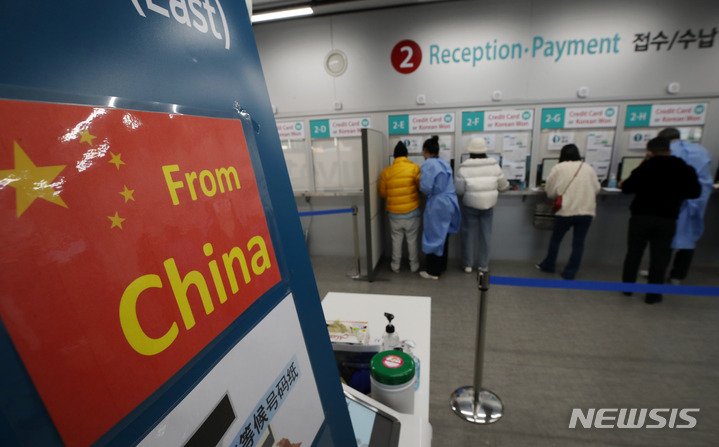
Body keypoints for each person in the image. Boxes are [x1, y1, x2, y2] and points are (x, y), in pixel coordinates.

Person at [620, 136, 701, 304]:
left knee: (634, 253)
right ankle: (653, 295)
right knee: (660, 257)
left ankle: (628, 289)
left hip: (641, 217)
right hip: (667, 218)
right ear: (670, 150)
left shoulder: (645, 167)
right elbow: (695, 192)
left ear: (649, 152)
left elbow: (627, 188)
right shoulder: (684, 168)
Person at [536, 144, 601, 280]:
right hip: (586, 211)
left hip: (566, 210)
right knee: (578, 243)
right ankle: (570, 272)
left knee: (556, 240)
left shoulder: (559, 168)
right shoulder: (588, 168)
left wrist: (558, 195)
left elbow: (550, 191)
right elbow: (596, 188)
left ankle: (549, 265)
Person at [657, 128, 713, 284]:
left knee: (665, 239)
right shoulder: (701, 150)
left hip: (672, 202)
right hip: (698, 199)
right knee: (689, 238)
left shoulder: (669, 151)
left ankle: (658, 274)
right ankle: (677, 276)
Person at [454, 137, 509, 273]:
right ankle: (483, 265)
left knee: (468, 234)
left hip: (470, 206)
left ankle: (467, 265)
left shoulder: (464, 168)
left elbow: (459, 191)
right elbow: (503, 186)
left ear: (470, 151)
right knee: (485, 235)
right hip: (488, 206)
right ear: (485, 150)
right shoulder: (494, 166)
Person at [418, 135, 460, 279]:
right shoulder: (444, 163)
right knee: (443, 235)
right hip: (449, 202)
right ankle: (441, 266)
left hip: (438, 204)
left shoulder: (428, 164)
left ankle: (432, 271)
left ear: (425, 151)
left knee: (433, 235)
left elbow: (426, 188)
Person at [379, 141, 421, 273]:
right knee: (412, 240)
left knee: (396, 240)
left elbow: (383, 193)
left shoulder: (386, 172)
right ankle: (414, 266)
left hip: (394, 213)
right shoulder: (415, 168)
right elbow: (421, 187)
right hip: (412, 211)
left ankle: (395, 266)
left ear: (394, 156)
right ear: (407, 155)